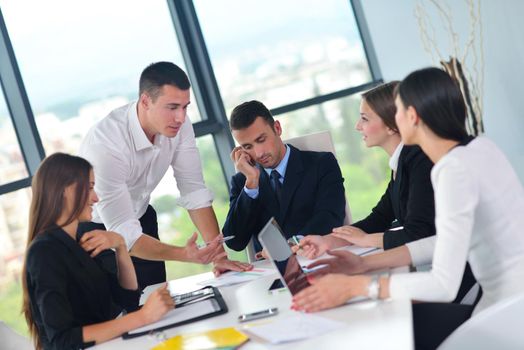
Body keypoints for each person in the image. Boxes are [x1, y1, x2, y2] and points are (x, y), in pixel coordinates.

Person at [291, 67, 524, 349]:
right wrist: (363, 263)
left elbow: (443, 284)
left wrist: (356, 287)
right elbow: (444, 241)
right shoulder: (479, 149)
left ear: (411, 117)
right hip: (507, 303)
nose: (396, 118)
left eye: (398, 110)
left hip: (507, 315)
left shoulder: (453, 170)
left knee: (383, 332)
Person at [79, 62, 251, 288]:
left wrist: (218, 257)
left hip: (142, 219)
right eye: (172, 107)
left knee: (157, 300)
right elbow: (122, 231)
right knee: (125, 316)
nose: (180, 117)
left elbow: (194, 190)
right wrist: (186, 254)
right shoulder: (106, 146)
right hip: (98, 234)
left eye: (185, 106)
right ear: (145, 101)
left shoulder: (179, 125)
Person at [21, 153, 174, 350]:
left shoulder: (81, 241)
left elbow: (127, 300)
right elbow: (64, 339)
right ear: (66, 190)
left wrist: (120, 246)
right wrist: (142, 318)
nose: (96, 198)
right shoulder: (43, 253)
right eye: (90, 188)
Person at [299, 81, 435, 257]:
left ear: (392, 125)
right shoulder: (402, 163)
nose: (357, 126)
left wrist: (365, 239)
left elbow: (419, 234)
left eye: (365, 118)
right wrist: (326, 241)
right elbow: (377, 220)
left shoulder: (420, 161)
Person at [222, 100, 346, 253]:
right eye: (248, 147)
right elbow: (235, 242)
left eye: (261, 140)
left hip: (319, 257)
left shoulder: (321, 163)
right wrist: (252, 183)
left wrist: (289, 245)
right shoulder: (244, 182)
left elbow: (330, 217)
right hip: (273, 272)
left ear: (277, 128)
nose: (259, 153)